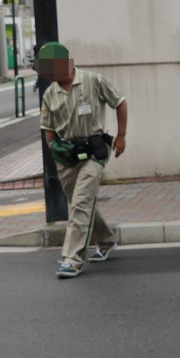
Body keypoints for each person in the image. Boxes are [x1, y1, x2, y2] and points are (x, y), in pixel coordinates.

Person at [37, 42, 128, 279]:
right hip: (66, 155)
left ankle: (72, 259)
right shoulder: (49, 94)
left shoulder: (93, 81)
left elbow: (119, 102)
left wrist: (121, 135)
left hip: (94, 151)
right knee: (81, 202)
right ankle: (106, 241)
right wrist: (56, 150)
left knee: (79, 204)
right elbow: (48, 129)